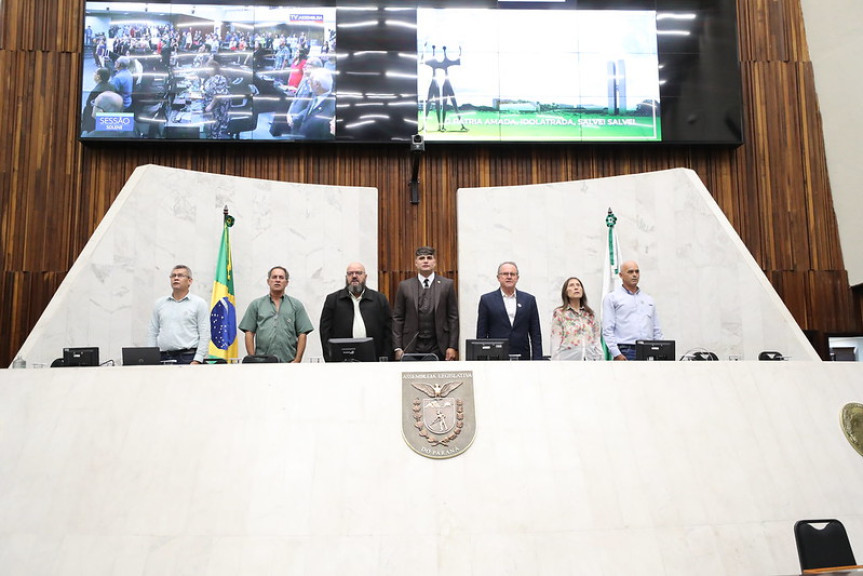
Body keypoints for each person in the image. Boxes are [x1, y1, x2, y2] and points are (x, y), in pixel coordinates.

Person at [392, 246, 459, 361]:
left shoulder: (446, 285)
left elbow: (453, 318)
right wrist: (397, 348)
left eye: (429, 258)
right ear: (416, 263)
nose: (426, 261)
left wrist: (452, 346)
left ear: (434, 262)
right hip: (410, 346)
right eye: (421, 258)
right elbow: (398, 318)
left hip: (438, 345)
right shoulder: (404, 286)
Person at [319, 262, 393, 362]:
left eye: (358, 273)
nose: (354, 276)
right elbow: (325, 332)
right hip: (341, 362)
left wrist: (385, 358)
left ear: (365, 276)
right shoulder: (333, 300)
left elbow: (388, 331)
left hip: (374, 360)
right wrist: (330, 359)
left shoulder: (379, 299)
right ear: (346, 277)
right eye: (350, 273)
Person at [239, 266, 314, 363]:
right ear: (268, 281)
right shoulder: (256, 305)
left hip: (288, 362)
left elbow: (302, 334)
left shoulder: (296, 305)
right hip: (261, 362)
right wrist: (252, 358)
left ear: (286, 283)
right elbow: (249, 333)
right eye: (274, 277)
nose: (277, 280)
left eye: (281, 277)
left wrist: (297, 360)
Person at [476, 262, 542, 360]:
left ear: (517, 278)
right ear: (498, 277)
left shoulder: (529, 300)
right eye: (505, 274)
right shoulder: (487, 300)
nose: (509, 277)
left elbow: (535, 333)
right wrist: (481, 359)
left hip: (522, 356)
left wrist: (538, 359)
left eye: (512, 274)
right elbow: (481, 334)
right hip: (496, 356)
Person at [147, 265, 210, 365]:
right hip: (162, 357)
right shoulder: (160, 303)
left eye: (180, 275)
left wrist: (198, 359)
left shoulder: (199, 303)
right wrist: (151, 358)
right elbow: (152, 332)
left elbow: (205, 334)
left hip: (188, 357)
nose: (176, 278)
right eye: (173, 275)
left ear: (190, 281)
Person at [601, 260, 663, 361]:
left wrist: (661, 350)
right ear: (621, 275)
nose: (634, 275)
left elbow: (656, 329)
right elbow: (608, 329)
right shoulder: (612, 298)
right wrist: (616, 353)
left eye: (637, 271)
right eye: (630, 272)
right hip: (626, 351)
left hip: (650, 351)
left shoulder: (648, 299)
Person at [550, 276, 602, 361]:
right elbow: (556, 343)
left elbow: (597, 341)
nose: (576, 287)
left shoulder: (590, 314)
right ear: (566, 292)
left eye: (578, 285)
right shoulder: (560, 313)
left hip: (589, 361)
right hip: (567, 362)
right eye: (571, 285)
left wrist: (601, 361)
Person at [291, 68, 335, 140]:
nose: (308, 81)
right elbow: (310, 110)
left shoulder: (332, 110)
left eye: (310, 80)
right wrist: (298, 116)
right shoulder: (316, 94)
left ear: (317, 84)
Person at [81, 68, 115, 134]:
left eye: (95, 73)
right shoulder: (112, 86)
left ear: (98, 76)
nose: (94, 74)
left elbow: (89, 105)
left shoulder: (96, 91)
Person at [202, 61, 231, 139]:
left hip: (218, 107)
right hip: (212, 105)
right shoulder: (210, 77)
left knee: (216, 129)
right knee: (211, 127)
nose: (206, 69)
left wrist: (210, 106)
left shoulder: (220, 78)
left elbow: (218, 95)